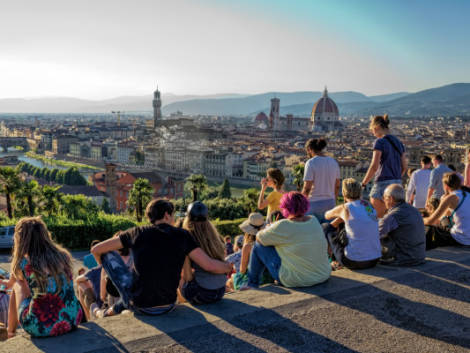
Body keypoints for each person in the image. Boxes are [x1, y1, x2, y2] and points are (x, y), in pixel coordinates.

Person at [91, 199, 232, 317]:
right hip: (169, 304)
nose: (174, 219)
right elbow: (208, 264)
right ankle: (110, 310)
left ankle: (105, 311)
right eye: (173, 215)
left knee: (108, 254)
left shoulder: (136, 232)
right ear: (166, 215)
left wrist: (106, 268)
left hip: (140, 305)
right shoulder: (182, 235)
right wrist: (226, 267)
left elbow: (96, 250)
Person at [2, 217, 83, 338]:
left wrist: (6, 282)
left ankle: (11, 332)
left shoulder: (24, 263)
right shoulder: (63, 256)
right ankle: (11, 330)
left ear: (21, 239)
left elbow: (11, 283)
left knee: (17, 284)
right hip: (73, 319)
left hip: (40, 327)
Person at [246, 192, 331, 288]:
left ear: (285, 207)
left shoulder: (283, 225)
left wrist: (271, 227)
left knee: (258, 246)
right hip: (322, 274)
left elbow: (259, 237)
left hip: (296, 280)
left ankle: (252, 284)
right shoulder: (314, 220)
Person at [323, 179, 381, 270]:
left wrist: (340, 217)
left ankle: (330, 260)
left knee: (326, 227)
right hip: (374, 260)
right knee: (347, 224)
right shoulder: (368, 206)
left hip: (353, 261)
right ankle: (335, 260)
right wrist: (343, 218)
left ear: (344, 193)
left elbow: (327, 215)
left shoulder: (345, 208)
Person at [179, 202, 227, 305]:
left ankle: (183, 303)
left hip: (202, 294)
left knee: (180, 277)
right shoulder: (216, 238)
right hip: (220, 290)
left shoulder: (188, 239)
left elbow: (187, 277)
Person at [361, 115, 407, 218]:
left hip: (382, 184)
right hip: (397, 186)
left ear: (377, 127)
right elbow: (404, 166)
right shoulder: (399, 143)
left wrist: (363, 183)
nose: (373, 133)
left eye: (372, 130)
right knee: (392, 219)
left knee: (374, 216)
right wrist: (395, 178)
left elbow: (374, 166)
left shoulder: (380, 142)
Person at [379, 184, 426, 266]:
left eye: (384, 197)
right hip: (419, 256)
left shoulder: (393, 215)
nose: (383, 200)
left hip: (404, 259)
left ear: (390, 199)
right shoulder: (415, 210)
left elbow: (375, 234)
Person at [424, 172, 470, 247]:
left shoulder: (451, 197)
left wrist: (420, 219)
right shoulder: (467, 194)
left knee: (429, 227)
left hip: (461, 239)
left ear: (446, 185)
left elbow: (431, 221)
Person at [302, 138, 340, 221]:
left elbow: (307, 188)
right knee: (328, 232)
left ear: (309, 149)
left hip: (313, 204)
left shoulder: (311, 163)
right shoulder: (334, 162)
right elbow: (337, 186)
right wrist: (334, 200)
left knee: (312, 232)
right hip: (330, 203)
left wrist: (301, 204)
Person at [229, 213, 266, 290]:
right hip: (267, 277)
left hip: (254, 279)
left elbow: (242, 270)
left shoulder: (247, 247)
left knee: (231, 280)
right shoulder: (267, 242)